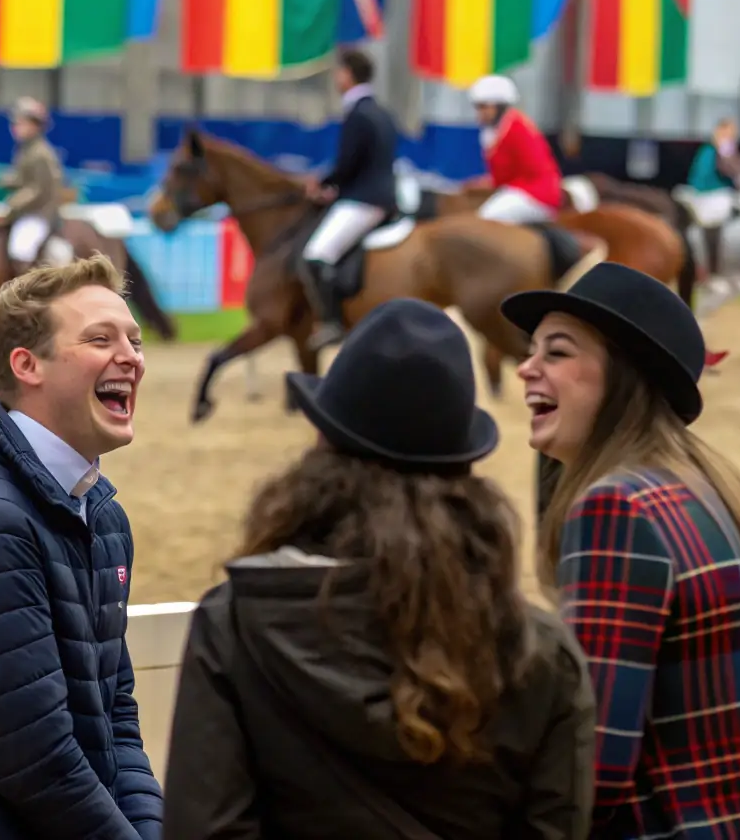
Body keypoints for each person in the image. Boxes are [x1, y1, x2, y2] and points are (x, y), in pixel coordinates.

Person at [162, 297, 597, 840]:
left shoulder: (235, 625)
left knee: (320, 257)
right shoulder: (540, 651)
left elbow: (205, 828)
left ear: (322, 448)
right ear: (465, 476)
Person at [501, 262, 740, 838]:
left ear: (623, 374)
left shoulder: (616, 508)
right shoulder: (722, 492)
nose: (526, 368)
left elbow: (592, 766)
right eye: (532, 350)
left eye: (557, 352)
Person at [0, 254, 162, 840]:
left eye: (134, 340)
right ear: (26, 364)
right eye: (100, 338)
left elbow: (117, 718)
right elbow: (36, 762)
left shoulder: (104, 514)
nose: (131, 357)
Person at [299, 47, 399, 351]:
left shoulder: (357, 113)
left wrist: (324, 183)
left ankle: (331, 323)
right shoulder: (381, 111)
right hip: (377, 194)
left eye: (338, 72)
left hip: (363, 200)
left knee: (316, 255)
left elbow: (348, 164)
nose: (336, 78)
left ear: (348, 74)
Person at [467, 74, 564, 224]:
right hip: (518, 191)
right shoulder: (496, 131)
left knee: (487, 219)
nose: (479, 113)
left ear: (498, 107)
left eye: (483, 107)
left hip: (536, 194)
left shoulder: (518, 128)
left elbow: (534, 169)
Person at [1, 96, 74, 272]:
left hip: (39, 213)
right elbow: (23, 178)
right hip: (24, 212)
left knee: (20, 248)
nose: (15, 127)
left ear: (34, 125)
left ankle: (26, 290)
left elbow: (39, 189)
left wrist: (14, 201)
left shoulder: (41, 153)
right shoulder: (25, 149)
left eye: (20, 122)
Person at [684, 117, 740, 292]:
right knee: (715, 228)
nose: (731, 136)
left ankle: (729, 272)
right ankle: (714, 275)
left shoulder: (715, 149)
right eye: (729, 132)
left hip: (715, 195)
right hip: (709, 196)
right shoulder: (714, 150)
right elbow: (729, 170)